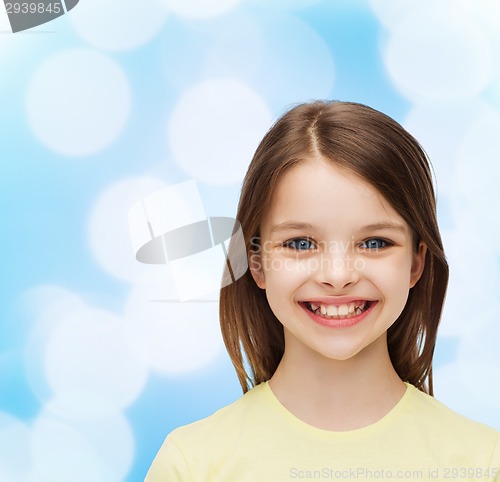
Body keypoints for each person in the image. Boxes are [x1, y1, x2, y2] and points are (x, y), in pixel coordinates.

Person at [145, 101, 500, 481]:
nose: (337, 275)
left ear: (416, 262)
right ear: (257, 262)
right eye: (300, 243)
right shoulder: (193, 464)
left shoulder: (484, 461)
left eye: (376, 242)